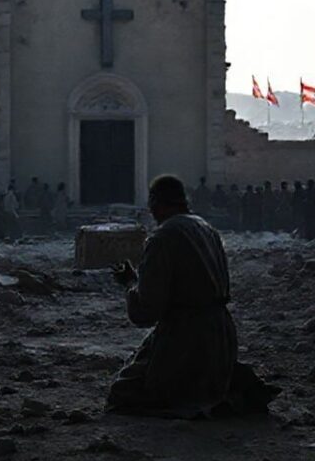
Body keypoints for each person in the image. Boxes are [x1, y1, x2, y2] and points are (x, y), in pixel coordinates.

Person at [107, 175, 280, 418]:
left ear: (156, 203)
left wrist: (129, 284)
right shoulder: (206, 228)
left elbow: (148, 309)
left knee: (124, 394)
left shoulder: (162, 237)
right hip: (220, 334)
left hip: (187, 336)